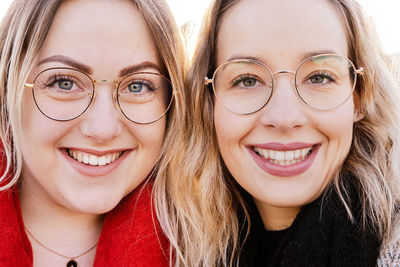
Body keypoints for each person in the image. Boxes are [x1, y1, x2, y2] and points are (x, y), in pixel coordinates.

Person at [156, 0, 400, 266]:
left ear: (360, 96)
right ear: (207, 102)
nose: (284, 118)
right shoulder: (180, 251)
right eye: (247, 80)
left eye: (319, 77)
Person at [0, 0, 185, 266]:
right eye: (64, 83)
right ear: (8, 86)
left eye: (137, 86)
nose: (103, 129)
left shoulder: (221, 246)